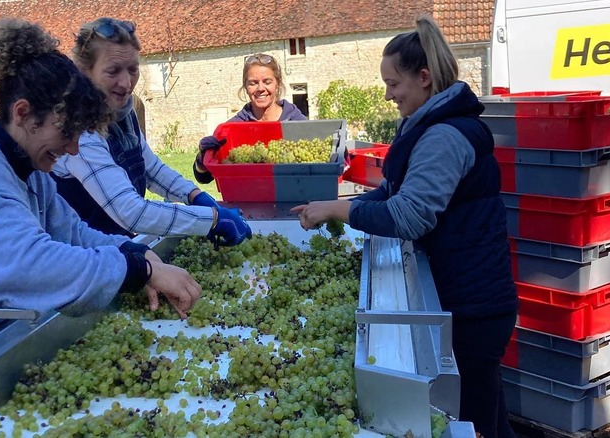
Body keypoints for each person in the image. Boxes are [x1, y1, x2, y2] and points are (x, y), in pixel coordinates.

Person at [0, 18, 201, 395]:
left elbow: (75, 235)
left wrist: (142, 258)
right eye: (66, 132)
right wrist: (137, 270)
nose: (72, 149)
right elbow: (30, 265)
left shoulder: (29, 170)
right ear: (23, 114)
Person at [291, 15, 518, 438]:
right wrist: (336, 204)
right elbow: (393, 190)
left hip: (475, 305)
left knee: (474, 419)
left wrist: (339, 213)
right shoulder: (427, 123)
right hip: (469, 296)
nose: (388, 93)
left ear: (424, 78)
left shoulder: (445, 136)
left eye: (394, 83)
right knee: (489, 409)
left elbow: (409, 216)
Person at [51, 17, 251, 246]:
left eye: (133, 69)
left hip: (117, 248)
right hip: (84, 258)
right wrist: (211, 219)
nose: (126, 83)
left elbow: (151, 169)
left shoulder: (122, 113)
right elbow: (131, 212)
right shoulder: (81, 132)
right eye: (113, 71)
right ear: (85, 72)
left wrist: (195, 196)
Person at [193, 53, 307, 184]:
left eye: (267, 82)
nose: (260, 89)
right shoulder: (233, 128)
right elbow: (203, 177)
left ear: (277, 84)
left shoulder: (298, 123)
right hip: (247, 201)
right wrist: (202, 158)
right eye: (253, 83)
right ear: (246, 88)